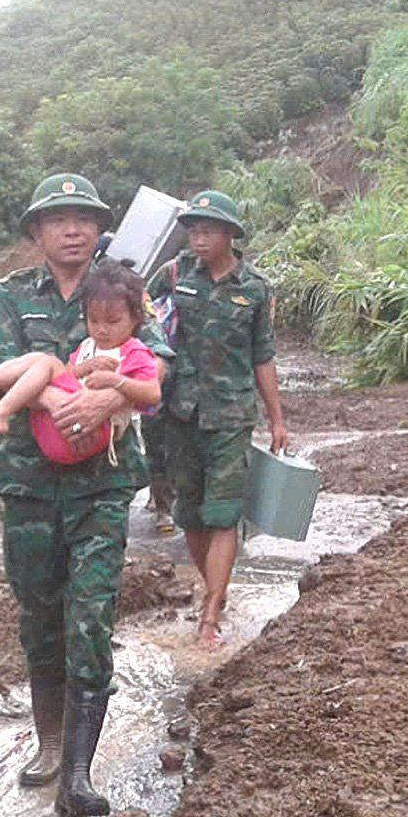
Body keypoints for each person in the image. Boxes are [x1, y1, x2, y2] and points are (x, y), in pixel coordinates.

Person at [0, 174, 170, 817]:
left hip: (101, 485)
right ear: (37, 231)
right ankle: (49, 741)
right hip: (28, 481)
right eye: (57, 218)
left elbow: (157, 361)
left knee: (91, 615)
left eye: (83, 216)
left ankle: (78, 773)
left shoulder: (117, 287)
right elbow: (4, 361)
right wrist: (69, 399)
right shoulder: (11, 295)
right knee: (39, 615)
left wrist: (110, 396)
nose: (73, 228)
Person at [147, 190, 288, 649]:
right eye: (192, 229)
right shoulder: (172, 275)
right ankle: (214, 588)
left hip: (230, 415)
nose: (198, 237)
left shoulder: (254, 288)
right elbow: (140, 322)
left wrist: (277, 420)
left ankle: (211, 612)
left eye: (208, 229)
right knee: (191, 514)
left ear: (230, 233)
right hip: (180, 413)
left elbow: (263, 356)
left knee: (223, 514)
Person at [0, 262, 161, 459]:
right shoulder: (88, 345)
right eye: (93, 321)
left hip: (94, 432)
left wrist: (116, 384)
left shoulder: (134, 351)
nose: (102, 329)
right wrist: (84, 368)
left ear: (136, 319)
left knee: (45, 362)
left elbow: (152, 394)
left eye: (113, 322)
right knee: (43, 362)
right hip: (59, 428)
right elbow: (66, 374)